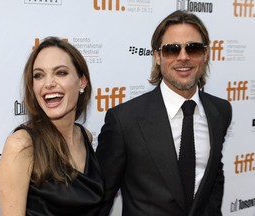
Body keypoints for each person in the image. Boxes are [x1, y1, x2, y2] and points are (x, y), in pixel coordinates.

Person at [96, 10, 232, 216]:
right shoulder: (124, 121)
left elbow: (214, 176)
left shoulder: (220, 111)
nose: (183, 57)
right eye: (172, 50)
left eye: (193, 48)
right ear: (157, 56)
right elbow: (101, 199)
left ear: (205, 54)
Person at [0, 37, 104, 216]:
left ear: (82, 82)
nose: (48, 83)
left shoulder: (85, 136)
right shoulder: (22, 145)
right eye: (39, 75)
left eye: (60, 73)